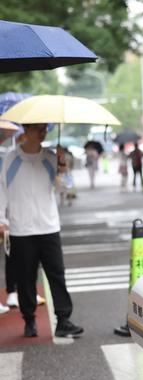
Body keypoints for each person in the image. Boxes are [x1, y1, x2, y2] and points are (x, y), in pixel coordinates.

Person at [0, 123, 83, 337]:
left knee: (57, 274)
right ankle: (29, 320)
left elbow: (65, 188)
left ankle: (64, 320)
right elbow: (2, 190)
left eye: (45, 128)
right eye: (38, 128)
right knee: (26, 277)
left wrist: (63, 166)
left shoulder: (51, 157)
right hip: (21, 229)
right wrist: (1, 219)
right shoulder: (11, 159)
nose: (43, 132)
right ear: (26, 131)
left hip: (49, 226)